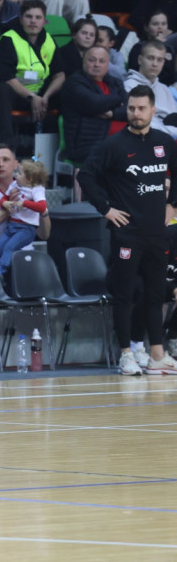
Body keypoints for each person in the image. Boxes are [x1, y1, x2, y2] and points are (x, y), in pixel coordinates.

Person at [78, 85, 177, 376]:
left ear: (152, 110)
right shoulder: (113, 144)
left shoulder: (165, 142)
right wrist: (106, 209)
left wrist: (172, 204)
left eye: (141, 108)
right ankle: (126, 354)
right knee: (124, 296)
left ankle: (157, 355)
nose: (135, 113)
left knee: (155, 295)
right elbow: (86, 175)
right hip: (127, 233)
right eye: (131, 108)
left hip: (157, 232)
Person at [0, 0, 64, 146]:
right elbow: (6, 78)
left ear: (45, 21)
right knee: (2, 90)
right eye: (28, 17)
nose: (33, 21)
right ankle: (6, 147)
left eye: (38, 17)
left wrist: (46, 97)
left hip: (37, 95)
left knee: (70, 91)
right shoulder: (8, 40)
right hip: (1, 94)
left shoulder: (49, 41)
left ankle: (60, 147)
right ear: (20, 19)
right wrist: (32, 97)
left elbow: (60, 74)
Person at [0, 143, 50, 253]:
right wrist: (9, 207)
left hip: (23, 253)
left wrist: (43, 212)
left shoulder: (32, 190)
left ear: (15, 164)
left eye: (6, 159)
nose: (0, 164)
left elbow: (44, 235)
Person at [60, 45, 127, 165]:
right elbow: (95, 103)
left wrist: (112, 113)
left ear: (108, 64)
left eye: (102, 61)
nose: (97, 64)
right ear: (83, 61)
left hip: (120, 141)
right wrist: (118, 99)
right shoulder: (74, 83)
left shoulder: (115, 83)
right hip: (87, 145)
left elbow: (131, 109)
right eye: (92, 60)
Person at [0, 158, 46, 276]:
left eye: (19, 173)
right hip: (12, 226)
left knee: (9, 247)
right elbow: (4, 198)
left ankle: (0, 272)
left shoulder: (37, 189)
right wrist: (5, 203)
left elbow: (42, 207)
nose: (15, 175)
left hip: (26, 229)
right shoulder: (15, 184)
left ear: (29, 178)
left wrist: (24, 203)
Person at [123, 40, 177, 138]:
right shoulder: (129, 86)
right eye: (150, 58)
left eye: (159, 60)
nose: (155, 64)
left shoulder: (164, 89)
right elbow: (143, 123)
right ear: (140, 59)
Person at [126, 11, 176, 87]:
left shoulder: (169, 49)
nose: (160, 27)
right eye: (155, 24)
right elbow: (134, 70)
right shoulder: (139, 47)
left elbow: (171, 75)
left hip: (164, 88)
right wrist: (155, 43)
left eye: (163, 24)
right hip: (140, 86)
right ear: (146, 27)